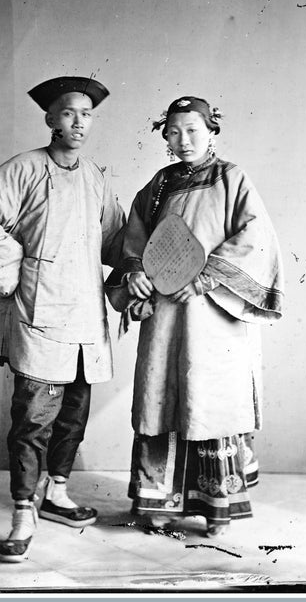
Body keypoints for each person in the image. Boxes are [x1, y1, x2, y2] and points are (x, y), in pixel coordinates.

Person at [0, 76, 125, 562]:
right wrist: (19, 270)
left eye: (87, 115)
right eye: (69, 113)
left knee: (74, 412)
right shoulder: (24, 169)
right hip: (40, 310)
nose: (78, 122)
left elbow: (117, 242)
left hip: (86, 315)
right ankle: (22, 511)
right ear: (50, 119)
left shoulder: (95, 176)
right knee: (32, 421)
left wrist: (132, 274)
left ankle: (57, 492)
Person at [118, 96, 284, 537]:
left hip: (213, 316)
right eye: (173, 132)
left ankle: (218, 509)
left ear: (212, 130)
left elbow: (256, 238)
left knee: (210, 402)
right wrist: (134, 273)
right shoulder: (157, 186)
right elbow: (135, 242)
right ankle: (158, 503)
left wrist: (207, 276)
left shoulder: (232, 179)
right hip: (167, 318)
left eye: (192, 130)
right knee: (162, 397)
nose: (182, 140)